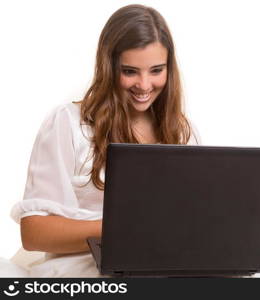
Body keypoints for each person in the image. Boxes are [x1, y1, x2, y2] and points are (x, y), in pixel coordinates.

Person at [10, 4, 198, 276]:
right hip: (86, 264)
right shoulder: (69, 123)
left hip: (163, 262)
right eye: (130, 71)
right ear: (108, 67)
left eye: (156, 70)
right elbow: (34, 233)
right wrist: (126, 227)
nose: (144, 85)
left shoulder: (182, 130)